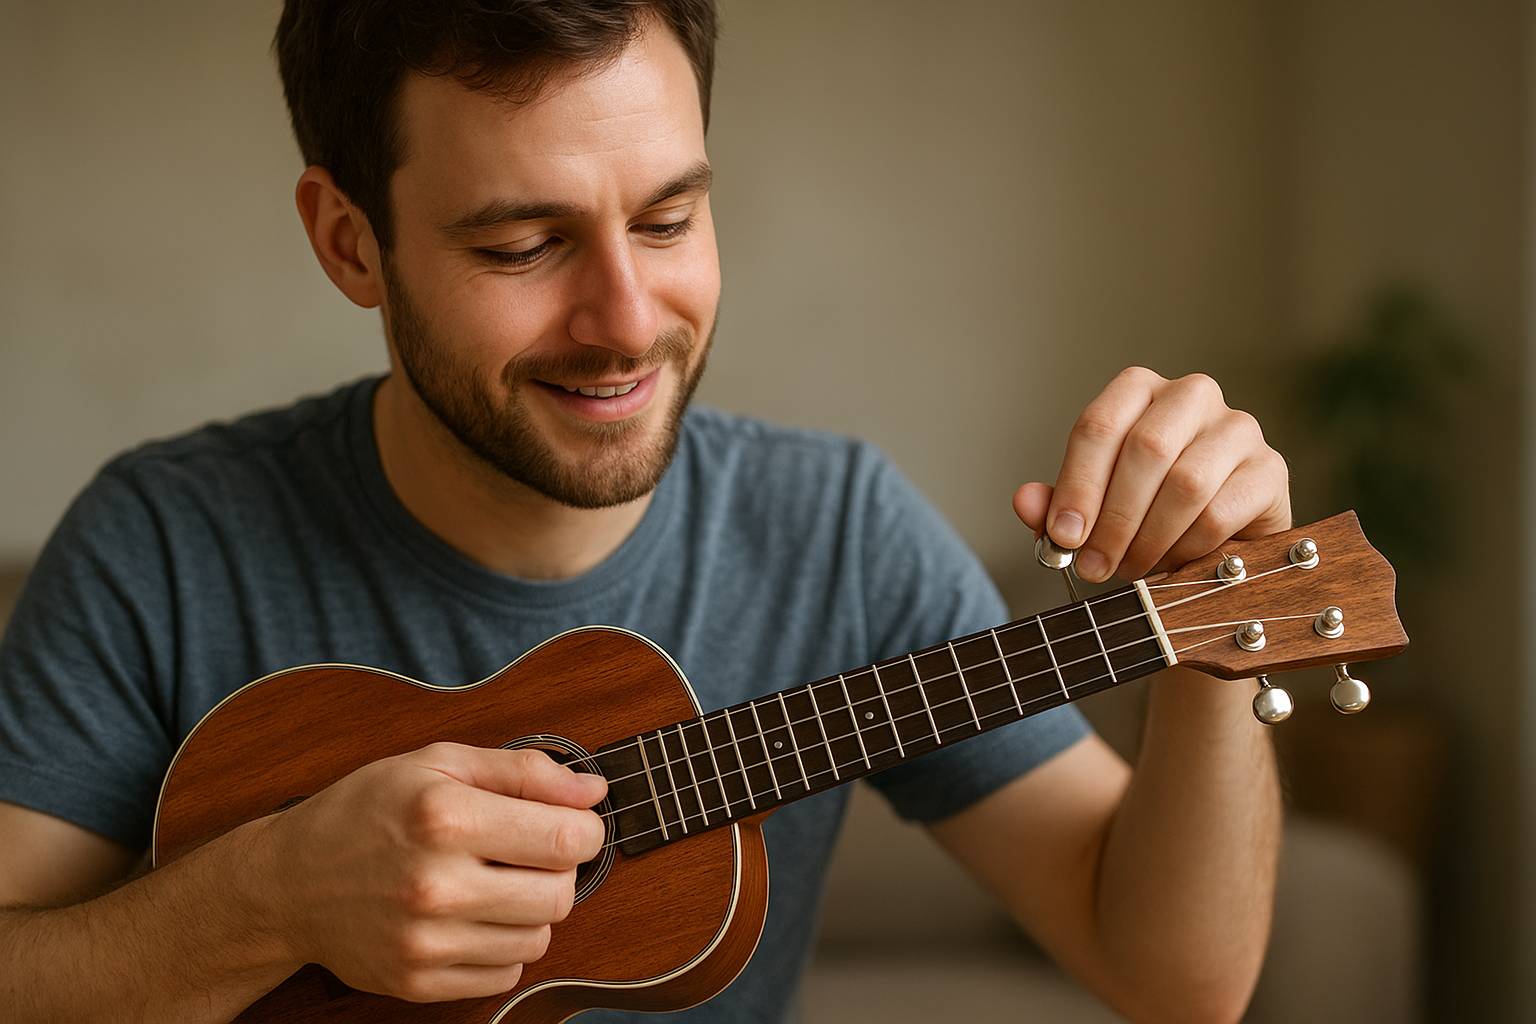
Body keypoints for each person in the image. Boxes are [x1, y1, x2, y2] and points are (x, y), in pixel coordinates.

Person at [0, 2, 1287, 1020]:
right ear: (349, 241)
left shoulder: (835, 532)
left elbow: (1178, 978)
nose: (626, 322)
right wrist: (270, 898)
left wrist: (1211, 634)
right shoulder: (161, 541)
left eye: (669, 218)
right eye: (522, 246)